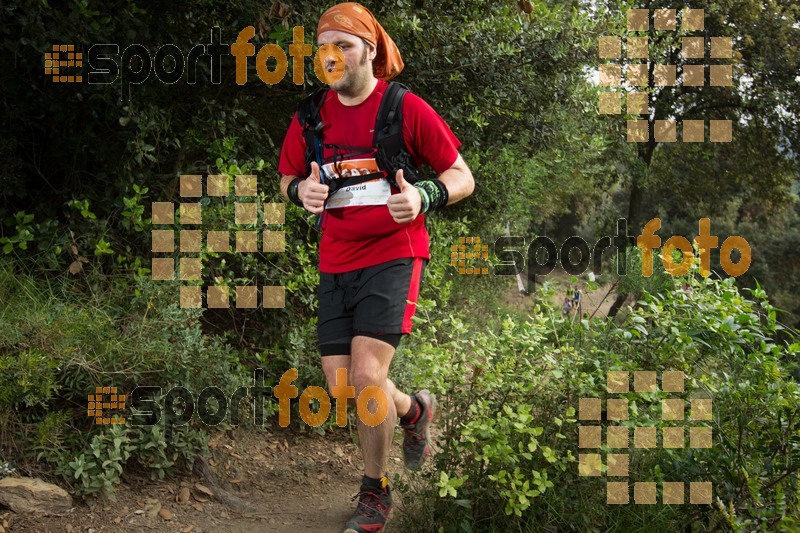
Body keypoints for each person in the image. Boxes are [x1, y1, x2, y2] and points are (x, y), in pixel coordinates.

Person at [277, 3, 474, 532]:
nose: (334, 56)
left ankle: (374, 492)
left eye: (344, 45)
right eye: (325, 48)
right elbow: (287, 177)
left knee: (367, 376)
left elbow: (462, 175)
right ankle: (414, 411)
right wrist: (301, 191)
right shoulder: (310, 115)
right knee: (347, 390)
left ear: (369, 49)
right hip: (335, 258)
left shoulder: (403, 108)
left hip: (394, 251)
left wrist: (427, 195)